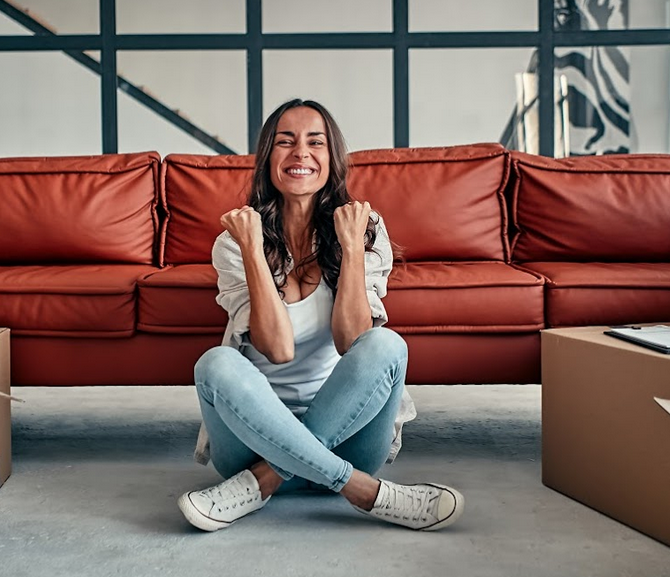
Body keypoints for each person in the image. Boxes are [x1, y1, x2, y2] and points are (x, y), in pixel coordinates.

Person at [178, 99, 465, 533]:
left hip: (347, 440)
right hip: (249, 446)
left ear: (332, 159)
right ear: (267, 158)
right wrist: (254, 252)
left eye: (316, 142)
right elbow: (276, 349)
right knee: (214, 364)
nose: (300, 153)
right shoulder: (236, 241)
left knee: (386, 344)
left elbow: (354, 342)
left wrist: (351, 249)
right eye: (285, 142)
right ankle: (364, 492)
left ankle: (266, 482)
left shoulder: (364, 229)